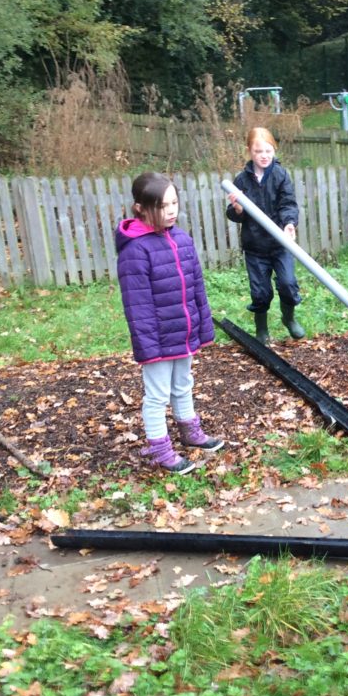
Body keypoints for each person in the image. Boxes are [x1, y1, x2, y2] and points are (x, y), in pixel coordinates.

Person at [116, 171, 225, 474]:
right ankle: (159, 449)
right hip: (158, 338)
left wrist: (203, 325)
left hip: (184, 330)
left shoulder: (182, 239)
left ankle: (190, 431)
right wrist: (148, 346)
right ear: (141, 208)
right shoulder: (135, 250)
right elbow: (137, 305)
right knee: (157, 395)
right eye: (164, 206)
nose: (172, 210)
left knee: (183, 385)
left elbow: (196, 287)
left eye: (174, 202)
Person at [226, 126, 305, 344]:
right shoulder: (241, 181)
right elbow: (233, 213)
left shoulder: (280, 175)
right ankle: (262, 330)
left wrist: (289, 224)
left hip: (280, 244)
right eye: (259, 151)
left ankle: (289, 319)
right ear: (249, 151)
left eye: (268, 151)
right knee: (260, 293)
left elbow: (288, 204)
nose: (264, 156)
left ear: (274, 150)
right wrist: (238, 210)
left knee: (288, 285)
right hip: (255, 247)